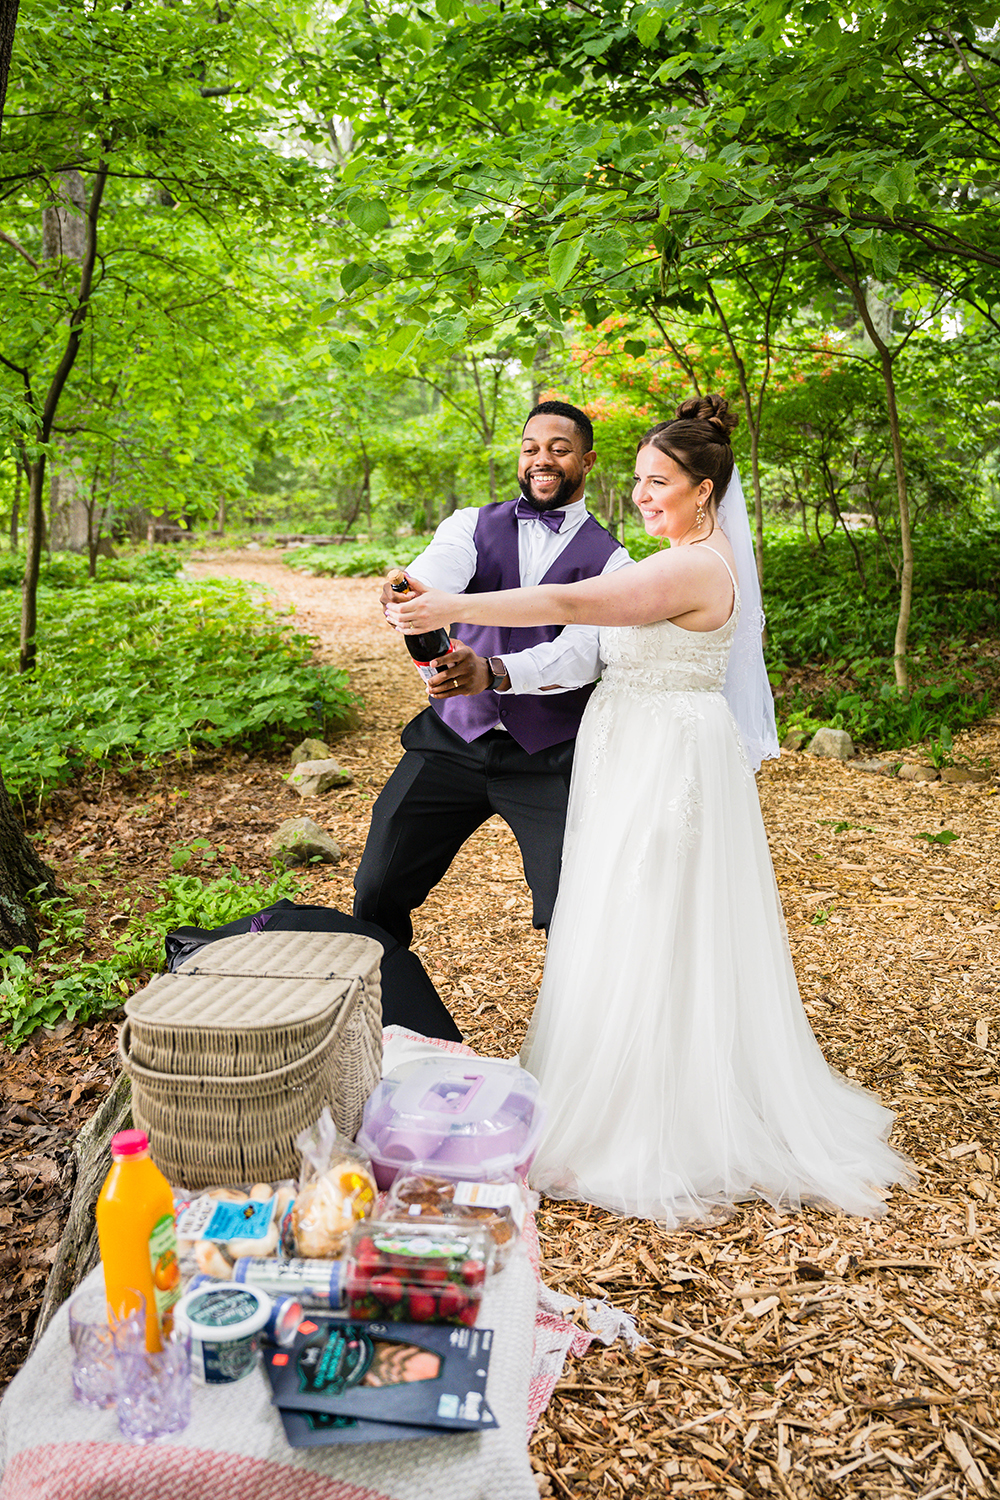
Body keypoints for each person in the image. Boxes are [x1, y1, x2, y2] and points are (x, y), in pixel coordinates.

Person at [386, 395, 912, 1223]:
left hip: (670, 763)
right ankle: (610, 1076)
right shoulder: (666, 554)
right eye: (637, 479)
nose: (641, 494)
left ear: (705, 490)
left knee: (655, 915)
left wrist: (455, 611)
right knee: (613, 913)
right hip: (628, 752)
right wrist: (468, 637)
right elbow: (584, 643)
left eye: (658, 480)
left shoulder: (696, 566)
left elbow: (573, 606)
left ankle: (658, 1112)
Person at [353, 400, 632, 962]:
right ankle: (386, 1019)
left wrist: (495, 672)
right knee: (377, 886)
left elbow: (586, 653)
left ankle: (572, 1037)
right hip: (453, 740)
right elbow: (436, 575)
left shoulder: (614, 562)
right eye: (531, 449)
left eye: (559, 448)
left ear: (588, 460)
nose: (542, 460)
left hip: (549, 753)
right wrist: (407, 591)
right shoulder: (469, 526)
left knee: (571, 907)